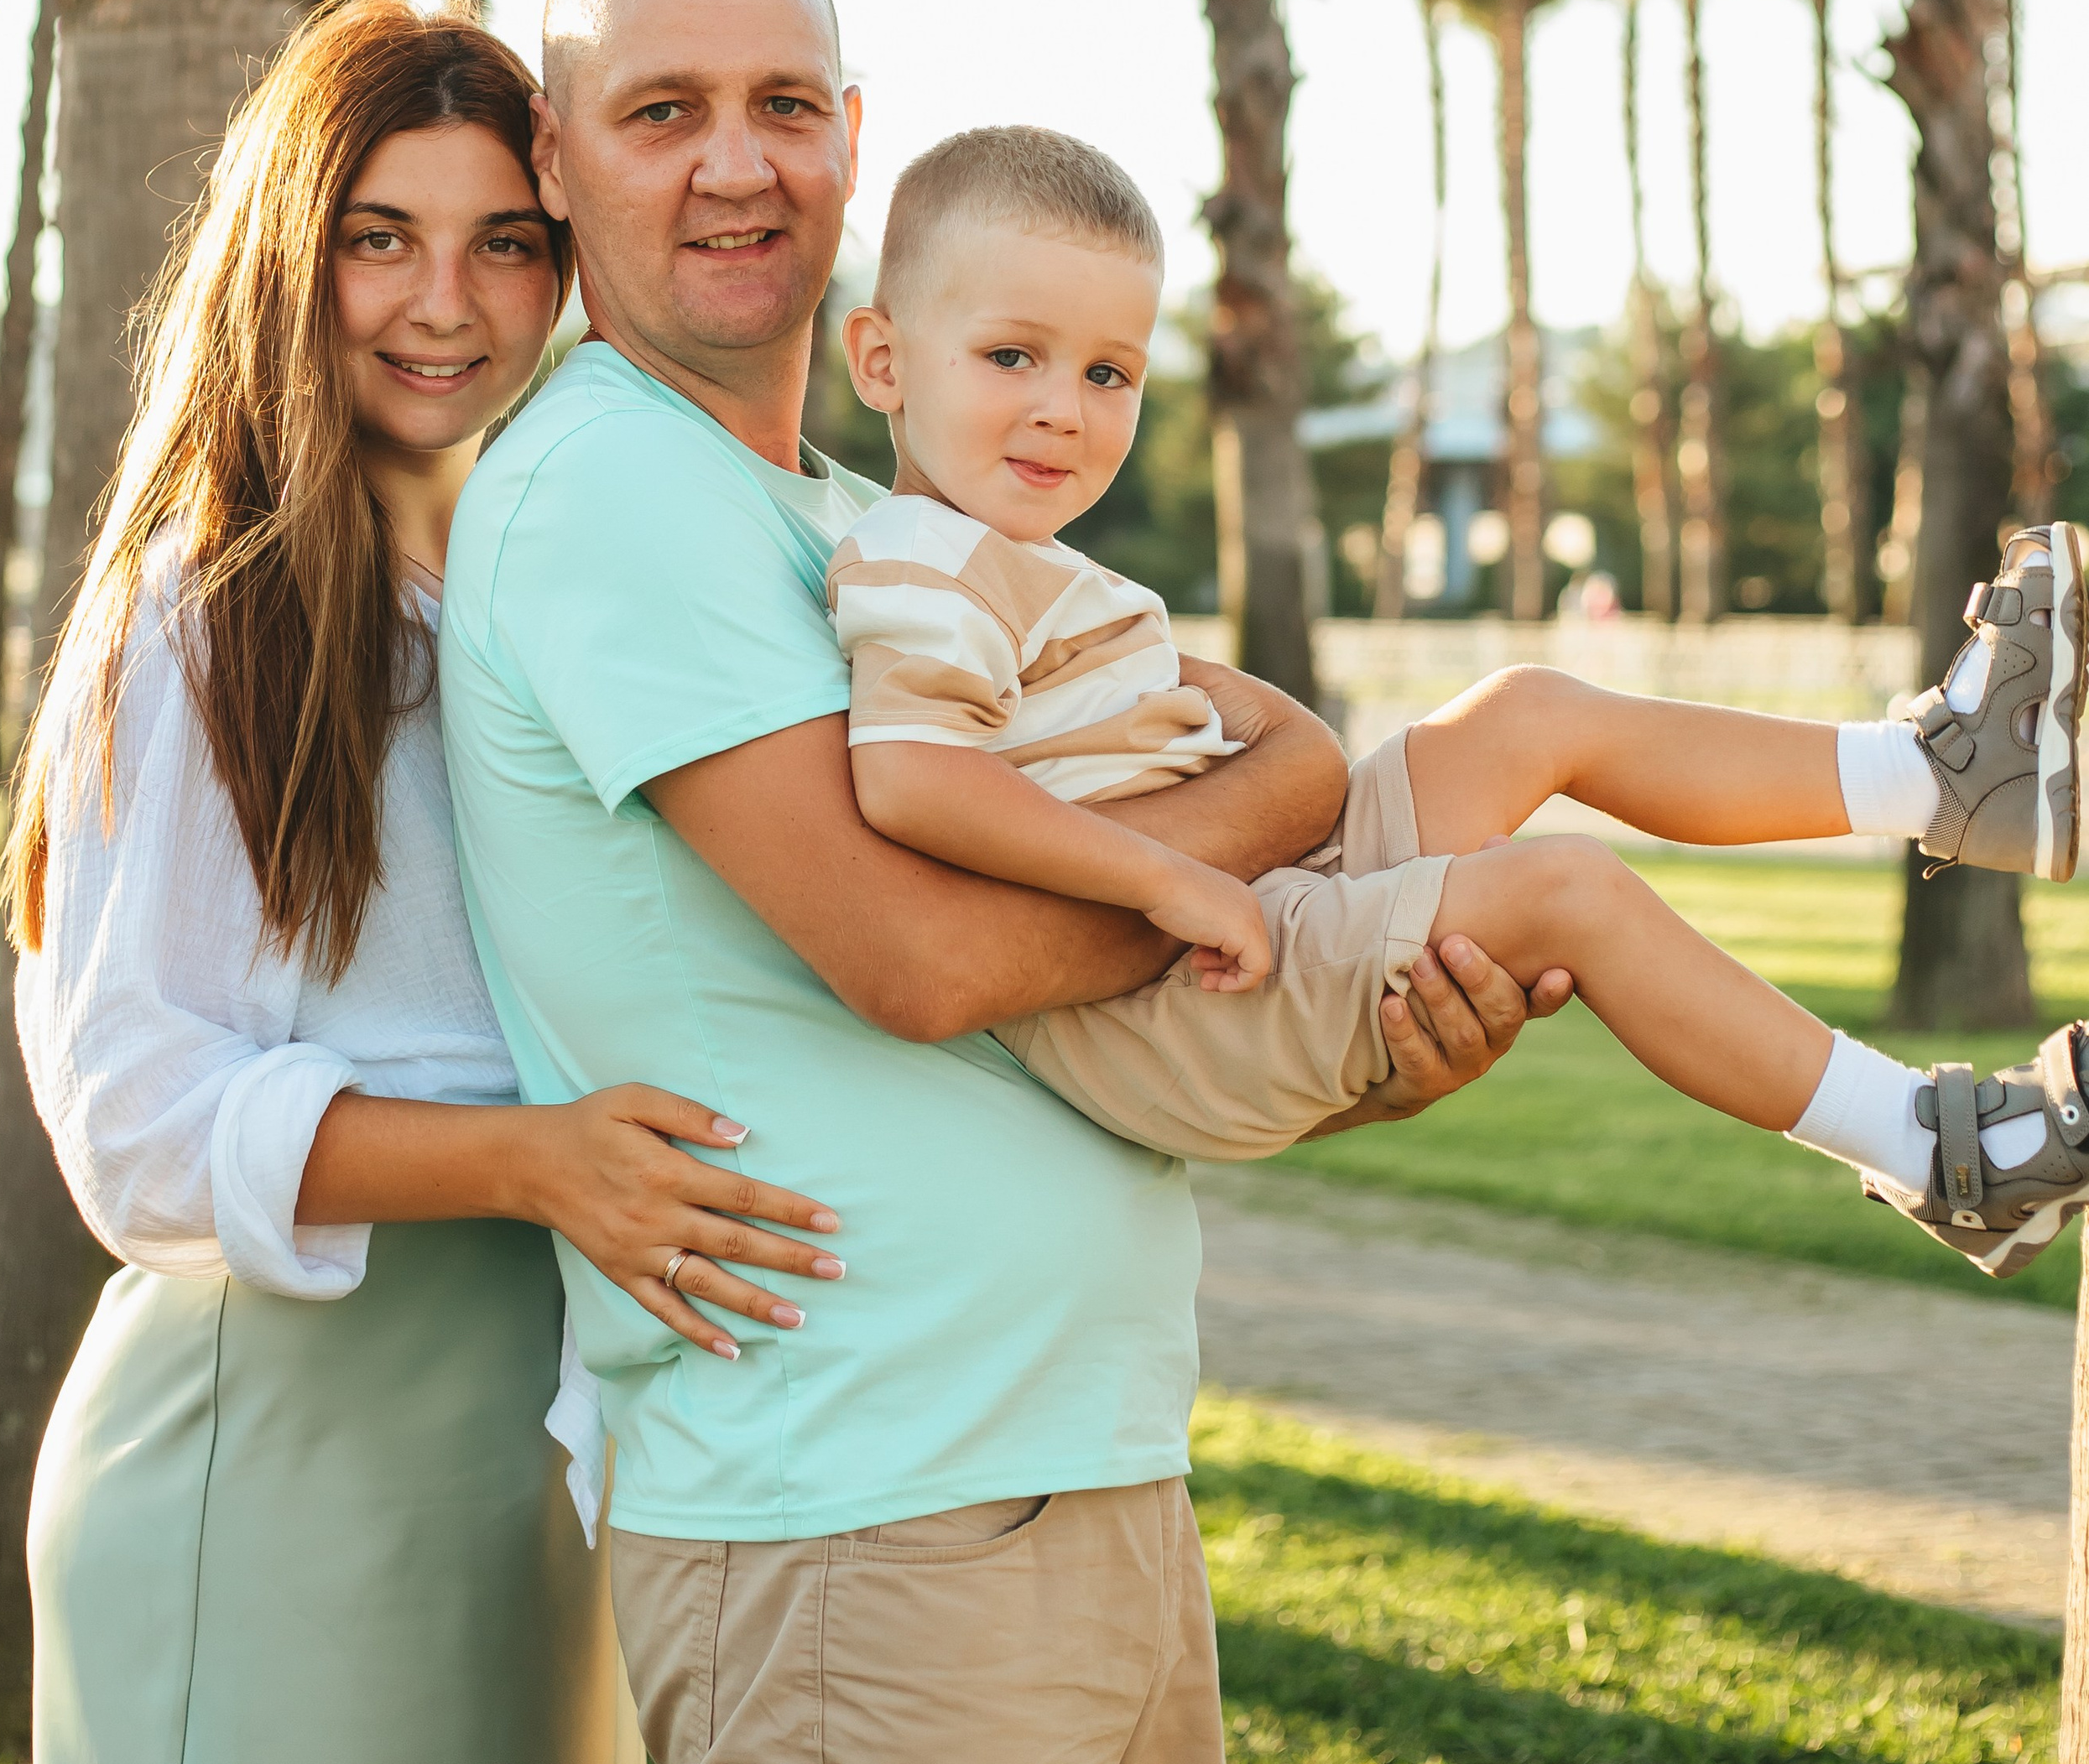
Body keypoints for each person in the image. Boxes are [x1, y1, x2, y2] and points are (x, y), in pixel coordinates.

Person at [437, 0, 1567, 1764]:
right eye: (662, 112)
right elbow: (928, 956)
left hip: (1086, 1487)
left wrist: (1355, 1055)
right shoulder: (605, 487)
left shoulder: (873, 515)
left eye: (780, 105)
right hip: (858, 1529)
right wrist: (1285, 805)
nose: (734, 161)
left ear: (856, 141)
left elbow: (1099, 1002)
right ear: (559, 158)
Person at [2, 0, 852, 1764]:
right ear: (291, 246)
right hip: (269, 1447)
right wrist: (535, 1166)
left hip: (529, 1455)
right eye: (381, 235)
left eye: (502, 243)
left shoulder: (535, 583)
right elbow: (125, 1116)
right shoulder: (204, 603)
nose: (443, 304)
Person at [829, 121, 2089, 1280]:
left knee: (1530, 711)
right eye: (1011, 356)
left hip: (1244, 902)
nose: (1064, 407)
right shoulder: (918, 562)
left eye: (1110, 372)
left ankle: (1947, 774)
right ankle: (1938, 1152)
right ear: (883, 359)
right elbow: (913, 777)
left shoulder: (1015, 556)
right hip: (1167, 1002)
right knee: (1567, 892)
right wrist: (1169, 879)